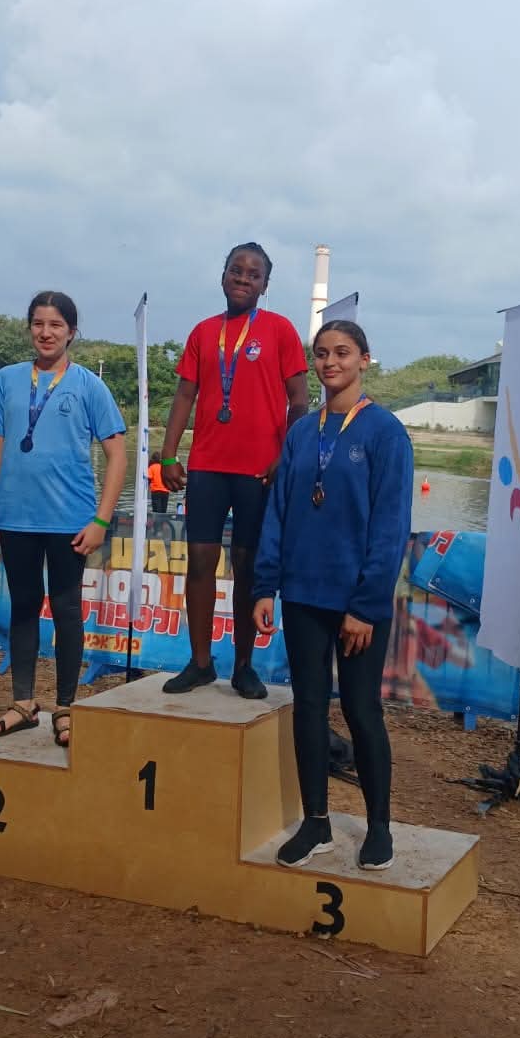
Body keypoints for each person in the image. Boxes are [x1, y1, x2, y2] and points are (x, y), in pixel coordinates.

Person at [253, 321, 413, 870]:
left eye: (342, 352)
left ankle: (379, 826)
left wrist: (365, 606)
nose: (330, 362)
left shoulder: (386, 433)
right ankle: (316, 822)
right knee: (309, 707)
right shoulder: (302, 433)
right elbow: (278, 513)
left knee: (362, 710)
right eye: (321, 354)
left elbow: (390, 526)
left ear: (365, 359)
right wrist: (265, 585)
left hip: (356, 603)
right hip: (302, 593)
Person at [0, 290, 127, 750]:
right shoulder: (7, 380)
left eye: (56, 325)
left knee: (66, 610)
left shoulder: (89, 386)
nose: (46, 333)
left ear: (71, 333)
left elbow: (118, 456)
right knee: (23, 606)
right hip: (16, 516)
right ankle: (23, 704)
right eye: (39, 323)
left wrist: (101, 520)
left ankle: (66, 707)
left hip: (70, 519)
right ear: (30, 329)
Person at [159, 242, 309, 699]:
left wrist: (286, 454)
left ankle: (244, 666)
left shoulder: (280, 330)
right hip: (207, 464)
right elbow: (185, 395)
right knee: (200, 562)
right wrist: (168, 454)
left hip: (259, 470)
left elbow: (299, 400)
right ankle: (200, 662)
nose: (243, 279)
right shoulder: (204, 332)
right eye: (236, 270)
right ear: (222, 276)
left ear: (266, 284)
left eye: (253, 274)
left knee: (248, 566)